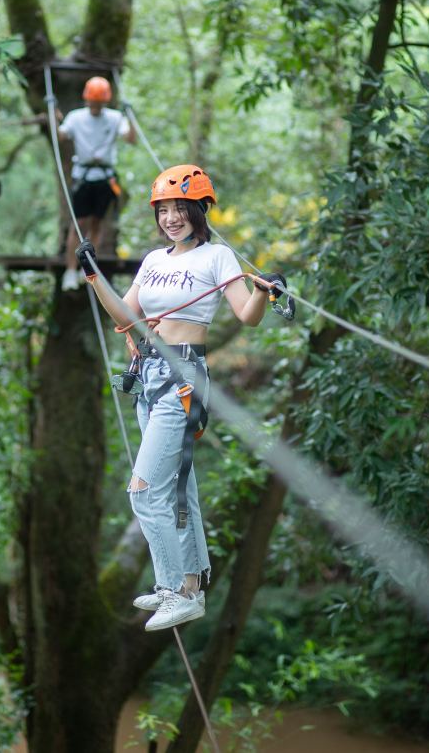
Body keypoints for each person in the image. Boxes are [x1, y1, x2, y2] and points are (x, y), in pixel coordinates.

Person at [75, 164, 288, 630]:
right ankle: (188, 585)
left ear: (198, 209)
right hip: (149, 374)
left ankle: (173, 589)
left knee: (144, 491)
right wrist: (95, 278)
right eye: (164, 210)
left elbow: (246, 315)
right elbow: (125, 316)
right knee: (176, 488)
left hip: (184, 376)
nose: (171, 218)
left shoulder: (217, 258)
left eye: (179, 209)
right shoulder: (153, 261)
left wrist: (265, 292)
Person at [58, 76, 136, 292]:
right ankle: (70, 271)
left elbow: (130, 138)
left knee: (97, 225)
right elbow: (61, 137)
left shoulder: (114, 117)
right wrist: (54, 117)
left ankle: (88, 270)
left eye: (99, 103)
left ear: (106, 102)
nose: (96, 106)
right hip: (83, 175)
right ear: (86, 100)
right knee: (78, 224)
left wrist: (131, 118)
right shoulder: (75, 118)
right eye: (93, 102)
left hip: (104, 177)